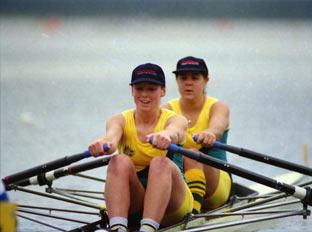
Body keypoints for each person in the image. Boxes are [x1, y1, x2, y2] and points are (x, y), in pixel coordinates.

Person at [88, 63, 193, 232]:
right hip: (136, 204)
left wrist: (167, 135)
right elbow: (111, 139)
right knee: (118, 160)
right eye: (139, 88)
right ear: (132, 91)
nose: (144, 95)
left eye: (151, 89)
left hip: (173, 206)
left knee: (160, 162)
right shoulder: (119, 119)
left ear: (163, 92)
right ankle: (118, 227)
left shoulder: (175, 119)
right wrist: (102, 144)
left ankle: (148, 228)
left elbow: (176, 131)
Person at [162, 56, 231, 214]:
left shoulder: (218, 107)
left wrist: (210, 133)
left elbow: (217, 127)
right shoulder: (167, 109)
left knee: (192, 155)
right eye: (183, 78)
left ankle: (193, 213)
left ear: (206, 80)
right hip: (181, 182)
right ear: (177, 81)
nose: (188, 83)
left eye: (195, 78)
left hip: (216, 184)